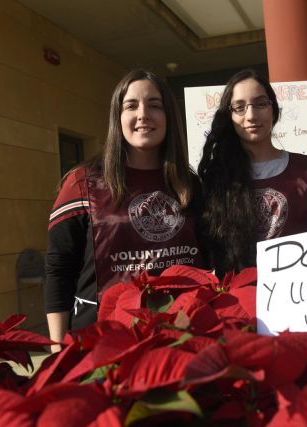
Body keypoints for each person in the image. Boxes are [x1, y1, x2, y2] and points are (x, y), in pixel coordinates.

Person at [44, 69, 205, 351]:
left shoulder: (190, 185)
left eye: (155, 105)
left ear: (169, 117)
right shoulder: (83, 183)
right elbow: (59, 269)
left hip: (179, 338)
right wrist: (58, 348)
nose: (143, 114)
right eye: (131, 106)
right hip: (101, 342)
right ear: (117, 118)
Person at [198, 69, 307, 277]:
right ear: (229, 116)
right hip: (238, 301)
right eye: (239, 107)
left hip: (299, 294)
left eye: (260, 104)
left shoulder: (303, 170)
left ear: (274, 110)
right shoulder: (216, 179)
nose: (251, 116)